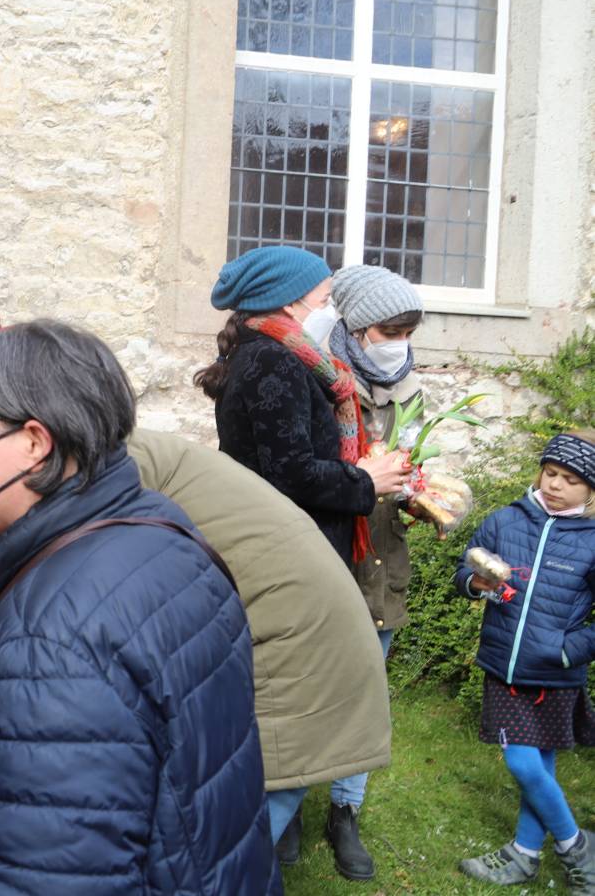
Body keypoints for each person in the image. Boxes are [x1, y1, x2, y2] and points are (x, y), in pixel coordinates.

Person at [0, 322, 278, 895]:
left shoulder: (49, 654)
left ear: (35, 442)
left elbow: (51, 869)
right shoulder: (156, 530)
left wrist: (17, 661)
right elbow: (115, 680)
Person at [194, 246, 409, 880]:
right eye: (319, 289)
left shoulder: (274, 355)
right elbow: (288, 475)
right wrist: (364, 478)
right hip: (293, 559)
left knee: (287, 711)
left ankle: (256, 847)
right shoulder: (274, 364)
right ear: (289, 296)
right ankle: (232, 864)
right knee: (304, 709)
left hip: (293, 549)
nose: (326, 298)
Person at [128, 428, 392, 870]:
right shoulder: (143, 456)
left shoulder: (126, 465)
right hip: (298, 631)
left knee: (223, 851)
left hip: (305, 648)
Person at [294, 263, 425, 873]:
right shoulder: (319, 380)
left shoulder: (411, 386)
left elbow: (427, 458)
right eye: (388, 328)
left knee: (366, 688)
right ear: (356, 326)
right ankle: (287, 800)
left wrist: (426, 492)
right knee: (306, 680)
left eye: (407, 328)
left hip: (383, 555)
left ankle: (344, 809)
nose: (398, 340)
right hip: (329, 547)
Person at [456, 431, 595, 893]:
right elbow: (464, 569)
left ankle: (549, 850)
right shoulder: (505, 521)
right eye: (551, 473)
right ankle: (554, 850)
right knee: (526, 763)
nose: (555, 485)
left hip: (555, 672)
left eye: (570, 480)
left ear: (590, 490)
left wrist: (568, 650)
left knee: (535, 766)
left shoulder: (592, 539)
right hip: (503, 667)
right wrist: (478, 585)